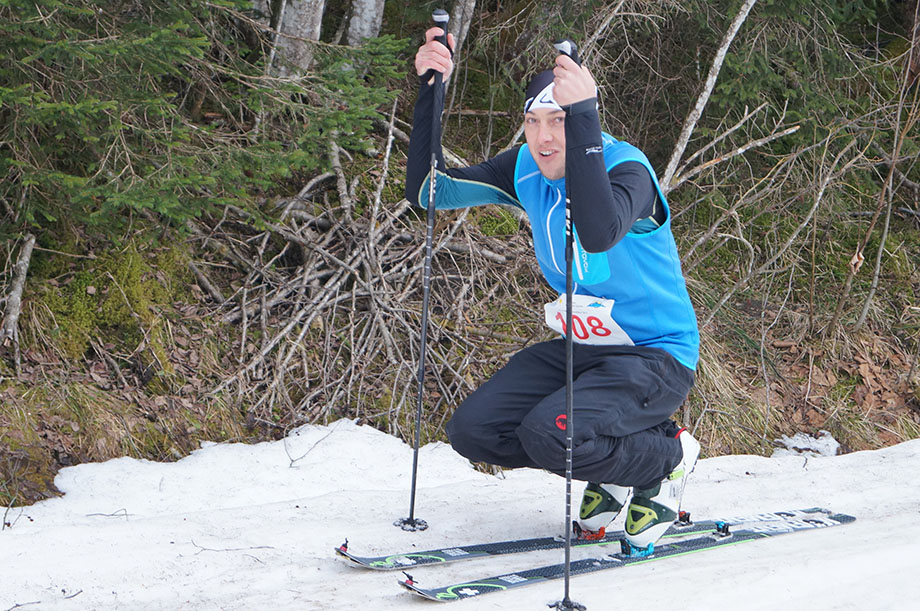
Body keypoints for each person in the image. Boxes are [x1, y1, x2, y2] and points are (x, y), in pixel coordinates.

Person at [405, 27, 701, 552]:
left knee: (551, 433)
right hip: (585, 350)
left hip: (656, 358)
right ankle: (615, 462)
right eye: (533, 122)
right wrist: (431, 90)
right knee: (474, 431)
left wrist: (583, 112)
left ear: (584, 119)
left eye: (558, 121)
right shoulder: (525, 167)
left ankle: (665, 461)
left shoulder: (628, 170)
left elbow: (598, 231)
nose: (543, 139)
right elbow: (430, 193)